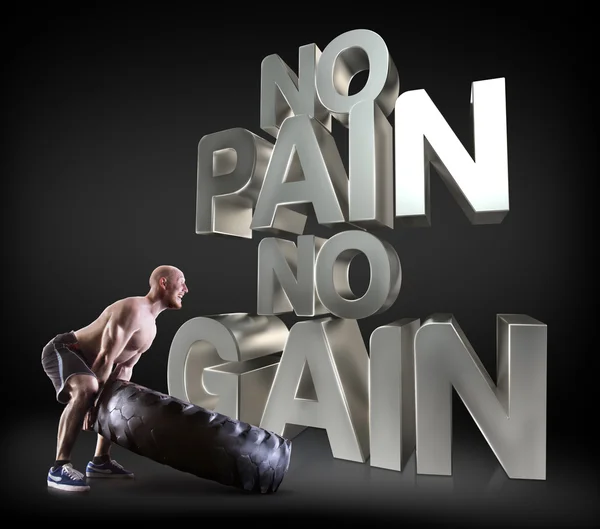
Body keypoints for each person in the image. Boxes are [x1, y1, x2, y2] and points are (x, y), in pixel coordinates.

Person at [41, 265, 189, 492]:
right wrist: (92, 404)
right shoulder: (132, 309)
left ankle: (100, 461)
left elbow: (124, 368)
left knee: (117, 395)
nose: (185, 289)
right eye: (182, 282)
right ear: (163, 283)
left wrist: (110, 396)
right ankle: (59, 467)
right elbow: (105, 357)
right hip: (66, 349)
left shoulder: (151, 328)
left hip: (93, 364)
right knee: (88, 387)